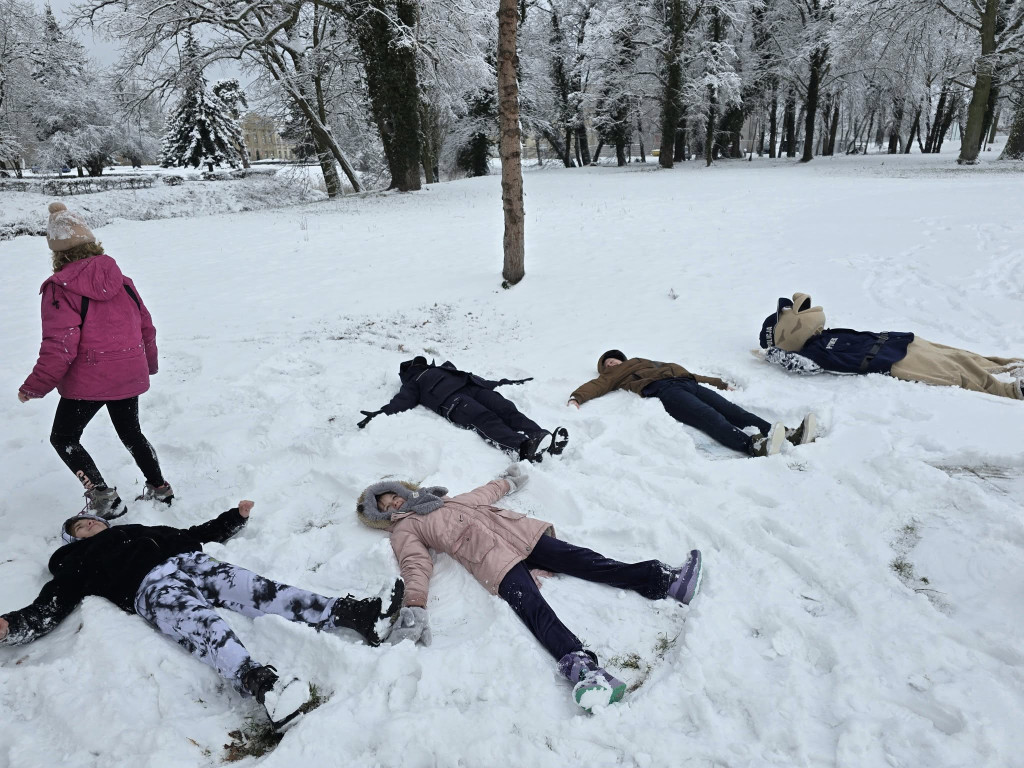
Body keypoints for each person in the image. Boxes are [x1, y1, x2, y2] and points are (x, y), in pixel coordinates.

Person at [0, 501, 403, 731]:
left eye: (90, 519)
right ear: (73, 538)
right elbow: (50, 605)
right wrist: (12, 626)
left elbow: (191, 534)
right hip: (151, 589)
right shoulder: (76, 561)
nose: (87, 524)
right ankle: (263, 686)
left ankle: (356, 615)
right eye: (79, 526)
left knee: (260, 590)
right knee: (203, 628)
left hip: (191, 562)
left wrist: (233, 519)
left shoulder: (139, 529)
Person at [355, 467, 703, 711]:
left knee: (587, 560)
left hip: (522, 537)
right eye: (385, 507)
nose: (393, 505)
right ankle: (582, 669)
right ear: (383, 516)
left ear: (402, 491)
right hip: (492, 562)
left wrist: (506, 482)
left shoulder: (447, 500)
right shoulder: (405, 530)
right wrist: (414, 605)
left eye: (392, 497)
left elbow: (484, 493)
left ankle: (666, 581)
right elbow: (416, 564)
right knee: (534, 609)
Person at [18, 202, 172, 518]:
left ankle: (105, 498)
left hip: (88, 381)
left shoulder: (60, 289)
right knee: (132, 434)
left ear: (57, 253)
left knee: (63, 438)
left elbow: (59, 346)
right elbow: (147, 327)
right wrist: (149, 364)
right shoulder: (123, 281)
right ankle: (160, 488)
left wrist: (35, 386)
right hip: (128, 372)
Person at [759, 293, 1024, 401]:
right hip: (896, 361)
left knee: (961, 356)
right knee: (956, 372)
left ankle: (1010, 366)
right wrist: (773, 353)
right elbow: (798, 365)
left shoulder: (823, 336)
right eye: (787, 312)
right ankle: (1011, 391)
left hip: (901, 341)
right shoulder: (810, 354)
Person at [568, 350, 817, 457]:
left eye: (614, 360)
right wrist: (576, 398)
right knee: (708, 416)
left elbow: (687, 373)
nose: (612, 364)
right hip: (665, 391)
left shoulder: (647, 361)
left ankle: (783, 434)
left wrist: (717, 382)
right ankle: (753, 446)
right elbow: (596, 387)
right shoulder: (612, 376)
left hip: (686, 383)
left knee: (732, 410)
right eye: (608, 364)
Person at [358, 356, 569, 462]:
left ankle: (541, 436)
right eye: (416, 363)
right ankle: (522, 448)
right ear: (410, 370)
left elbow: (477, 378)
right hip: (453, 401)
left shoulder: (441, 368)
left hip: (472, 387)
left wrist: (505, 382)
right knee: (485, 418)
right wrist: (379, 414)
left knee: (505, 407)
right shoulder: (414, 381)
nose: (420, 364)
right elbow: (402, 401)